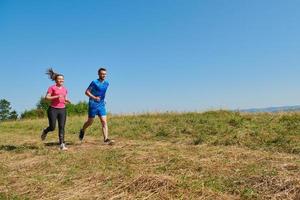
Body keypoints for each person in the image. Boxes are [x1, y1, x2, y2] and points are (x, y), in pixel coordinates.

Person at [79, 67, 113, 144]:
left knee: (104, 121)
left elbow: (103, 93)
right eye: (102, 74)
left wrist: (104, 100)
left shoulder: (107, 83)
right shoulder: (94, 82)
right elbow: (86, 92)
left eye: (105, 74)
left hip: (101, 104)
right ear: (98, 74)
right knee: (90, 122)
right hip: (93, 104)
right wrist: (94, 97)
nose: (103, 75)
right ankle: (83, 130)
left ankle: (106, 139)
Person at [41, 68, 71, 150]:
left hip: (62, 109)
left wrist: (66, 100)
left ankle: (62, 144)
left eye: (62, 79)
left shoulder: (65, 89)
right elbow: (46, 97)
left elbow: (63, 98)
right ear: (56, 80)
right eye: (59, 79)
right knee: (52, 127)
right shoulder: (52, 88)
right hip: (53, 109)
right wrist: (56, 96)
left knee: (62, 127)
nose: (61, 80)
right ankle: (45, 131)